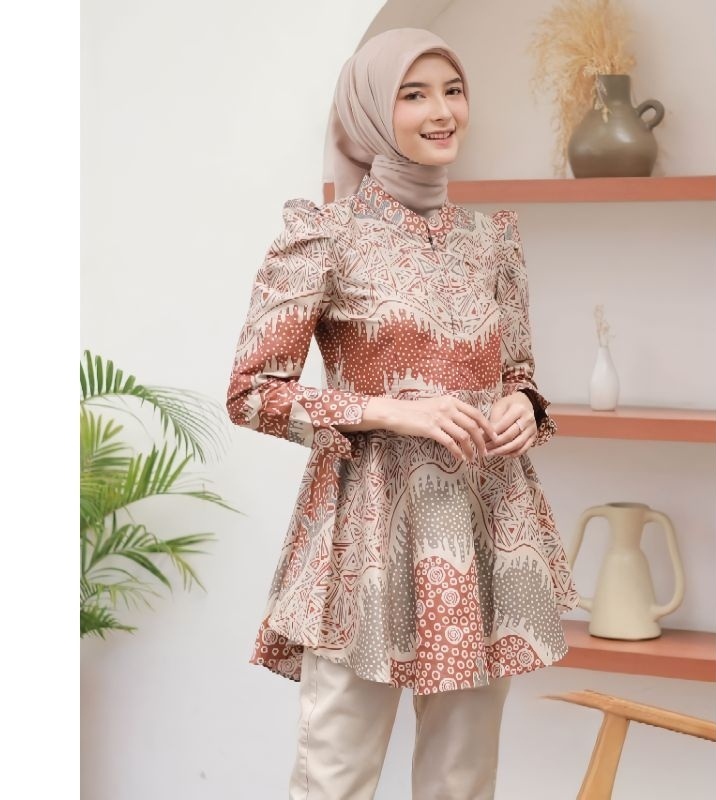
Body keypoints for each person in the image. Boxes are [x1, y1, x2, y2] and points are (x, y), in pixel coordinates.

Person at [226, 27, 578, 800]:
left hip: (483, 529)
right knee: (337, 778)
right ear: (370, 112)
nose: (442, 112)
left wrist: (523, 405)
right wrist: (386, 409)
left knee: (463, 781)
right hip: (367, 536)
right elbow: (251, 391)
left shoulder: (493, 240)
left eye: (453, 91)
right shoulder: (324, 235)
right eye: (413, 95)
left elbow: (518, 371)